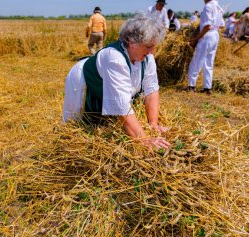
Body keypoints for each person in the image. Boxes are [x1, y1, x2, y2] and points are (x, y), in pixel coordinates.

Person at [63, 14, 170, 149]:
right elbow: (121, 105)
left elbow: (151, 89)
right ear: (131, 42)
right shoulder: (114, 58)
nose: (152, 51)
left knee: (105, 122)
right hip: (83, 83)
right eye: (148, 46)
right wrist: (143, 139)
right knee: (78, 125)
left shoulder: (148, 58)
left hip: (109, 85)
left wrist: (153, 124)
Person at [187, 0, 225, 94]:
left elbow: (207, 26)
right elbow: (222, 25)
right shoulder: (218, 7)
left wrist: (195, 39)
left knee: (196, 61)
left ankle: (191, 86)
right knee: (209, 62)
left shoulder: (208, 7)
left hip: (207, 35)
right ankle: (207, 88)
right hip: (215, 35)